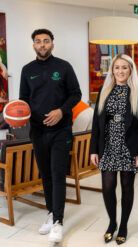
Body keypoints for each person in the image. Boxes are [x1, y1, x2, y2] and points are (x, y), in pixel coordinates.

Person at [19, 29, 82, 243]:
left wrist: (60, 111)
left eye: (46, 41)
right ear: (34, 45)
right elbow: (23, 100)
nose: (42, 44)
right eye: (38, 41)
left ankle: (58, 222)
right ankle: (51, 212)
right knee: (45, 174)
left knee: (57, 174)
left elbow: (76, 94)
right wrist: (17, 115)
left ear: (52, 44)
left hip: (60, 130)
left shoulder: (64, 67)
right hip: (37, 131)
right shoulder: (27, 70)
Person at [90, 54, 138, 245]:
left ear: (131, 70)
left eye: (124, 67)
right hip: (107, 144)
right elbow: (96, 122)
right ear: (112, 70)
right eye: (117, 67)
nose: (120, 71)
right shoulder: (105, 89)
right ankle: (112, 223)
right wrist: (93, 149)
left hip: (129, 146)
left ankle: (123, 225)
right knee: (108, 187)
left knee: (127, 187)